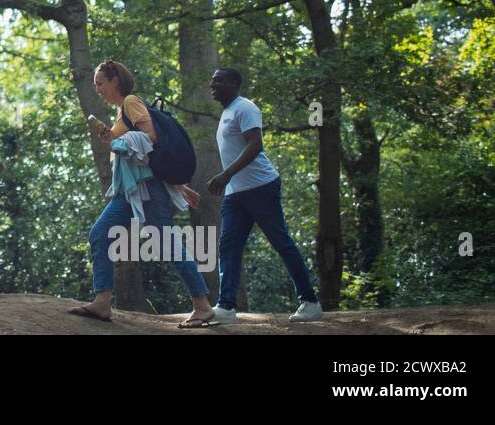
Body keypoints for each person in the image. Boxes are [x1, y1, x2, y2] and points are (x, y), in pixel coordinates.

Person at [68, 59, 216, 328]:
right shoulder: (121, 113)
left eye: (100, 83)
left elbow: (150, 138)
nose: (98, 89)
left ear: (115, 81)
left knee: (167, 243)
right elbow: (144, 157)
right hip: (132, 190)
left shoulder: (131, 102)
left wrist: (117, 142)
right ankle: (102, 301)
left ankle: (202, 306)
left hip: (147, 191)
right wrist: (179, 186)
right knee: (100, 233)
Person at [208, 67, 321, 323]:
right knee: (229, 247)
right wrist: (229, 180)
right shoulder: (227, 112)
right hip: (236, 194)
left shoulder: (244, 108)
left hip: (261, 188)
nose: (212, 85)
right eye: (212, 82)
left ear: (235, 83)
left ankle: (310, 302)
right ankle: (225, 307)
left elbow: (255, 144)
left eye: (218, 81)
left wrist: (225, 175)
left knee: (281, 242)